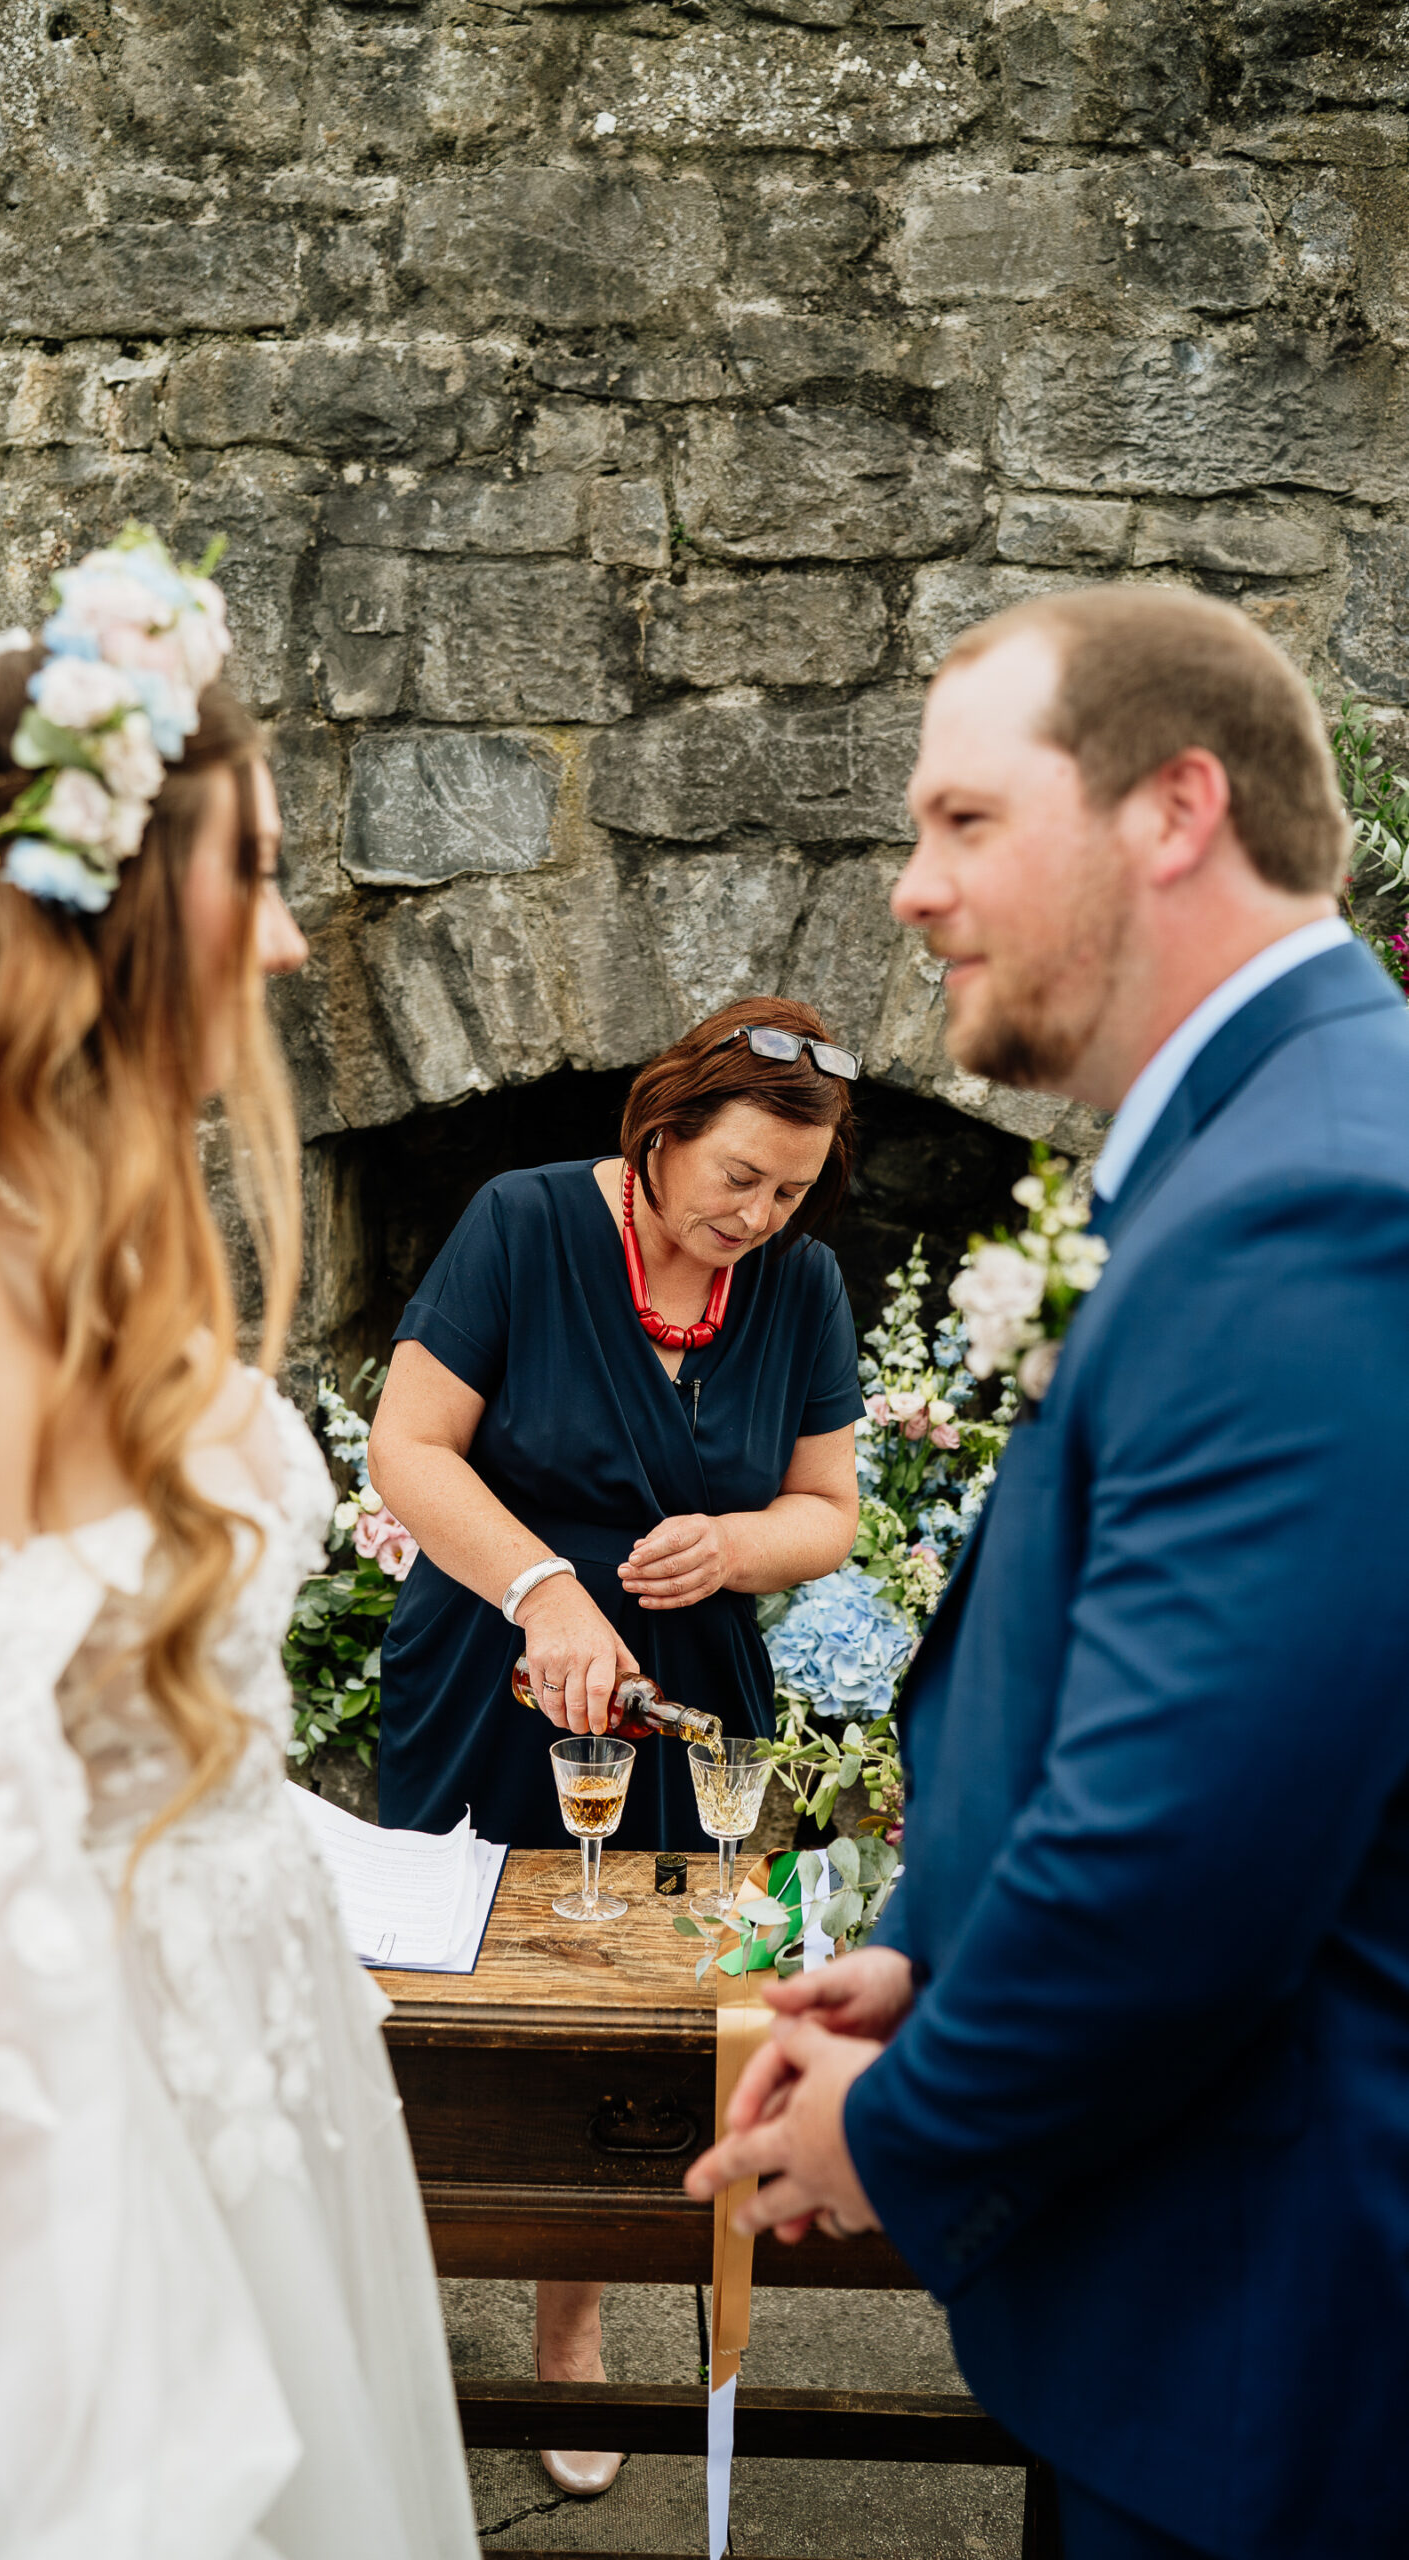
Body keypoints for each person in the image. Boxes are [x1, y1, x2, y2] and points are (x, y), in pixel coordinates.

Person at [0, 532, 478, 2560]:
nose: (291, 942)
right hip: (59, 2242)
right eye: (258, 870)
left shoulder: (73, 1255)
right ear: (111, 904)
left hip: (227, 2130)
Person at [686, 586, 1409, 2559]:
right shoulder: (1225, 1148)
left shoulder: (1315, 1197)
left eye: (962, 820)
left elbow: (1191, 1836)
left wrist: (895, 2128)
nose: (909, 890)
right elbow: (1113, 1677)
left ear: (1172, 809)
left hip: (1276, 2351)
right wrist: (923, 1953)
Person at [368, 995, 864, 2493]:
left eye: (789, 1192)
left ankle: (568, 2338)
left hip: (686, 1697)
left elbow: (824, 1515)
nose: (760, 1218)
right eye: (738, 1180)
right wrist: (544, 1590)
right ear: (659, 1139)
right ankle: (379, 2312)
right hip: (487, 1661)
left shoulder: (806, 1284)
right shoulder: (519, 1226)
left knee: (631, 2028)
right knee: (433, 1997)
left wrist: (735, 1543)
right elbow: (409, 1444)